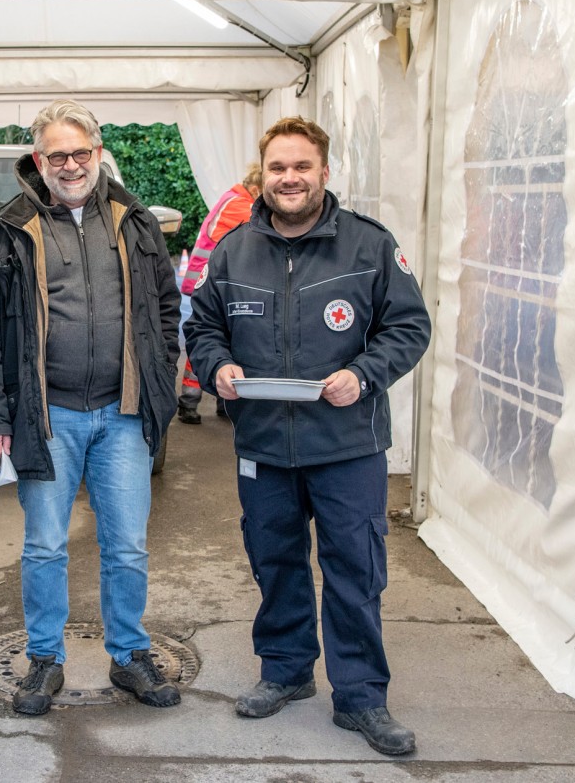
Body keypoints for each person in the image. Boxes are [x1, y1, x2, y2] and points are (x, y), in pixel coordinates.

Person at [183, 116, 431, 756]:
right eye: (277, 168)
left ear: (324, 171)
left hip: (347, 444)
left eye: (301, 167)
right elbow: (203, 328)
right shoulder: (234, 251)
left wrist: (363, 374)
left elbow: (408, 327)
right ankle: (286, 672)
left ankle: (360, 697)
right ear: (260, 176)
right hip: (264, 444)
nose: (288, 178)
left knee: (354, 568)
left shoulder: (369, 246)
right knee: (275, 562)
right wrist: (218, 369)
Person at [0, 99, 182, 715]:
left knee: (127, 544)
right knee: (45, 546)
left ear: (98, 152)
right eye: (57, 155)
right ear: (39, 160)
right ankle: (43, 660)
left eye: (81, 153)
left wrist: (161, 382)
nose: (70, 164)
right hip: (46, 415)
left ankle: (130, 655)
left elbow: (165, 308)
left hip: (123, 412)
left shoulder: (134, 220)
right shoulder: (8, 229)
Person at [176, 164, 262, 424]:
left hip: (210, 282)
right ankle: (190, 401)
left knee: (223, 339)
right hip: (211, 286)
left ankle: (221, 402)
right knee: (208, 339)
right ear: (257, 189)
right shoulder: (242, 206)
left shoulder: (232, 198)